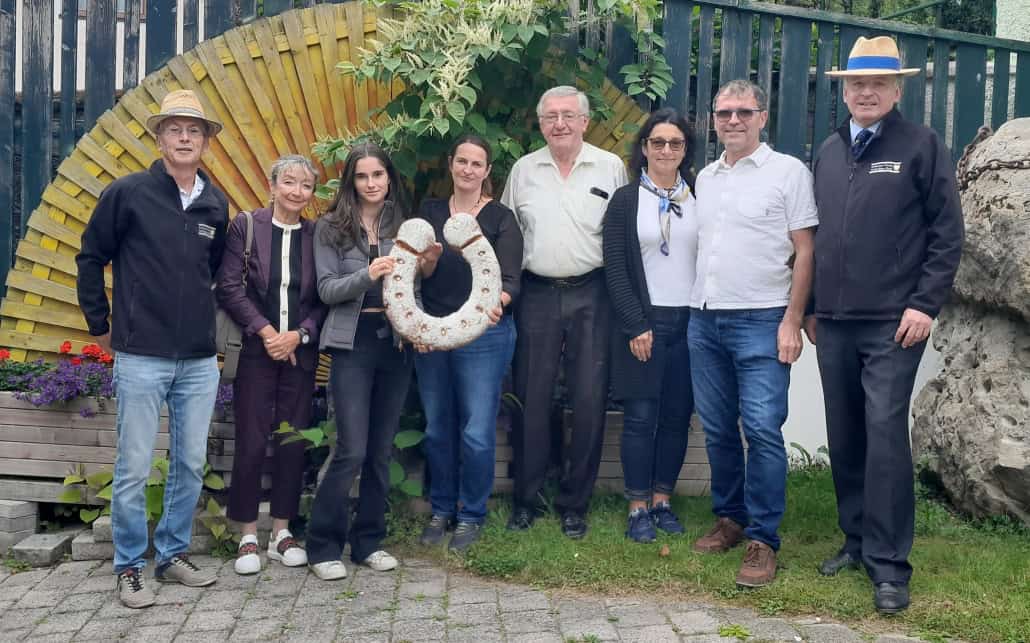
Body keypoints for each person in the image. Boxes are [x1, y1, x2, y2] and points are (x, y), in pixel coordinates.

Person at [808, 36, 963, 614]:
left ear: (898, 90)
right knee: (846, 434)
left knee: (884, 435)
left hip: (895, 324)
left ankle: (890, 565)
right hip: (833, 322)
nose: (866, 92)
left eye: (878, 84)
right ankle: (856, 540)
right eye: (857, 84)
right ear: (844, 90)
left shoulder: (921, 145)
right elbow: (815, 237)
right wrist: (811, 307)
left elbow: (947, 233)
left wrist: (925, 304)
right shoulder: (829, 150)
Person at [76, 90, 228, 608]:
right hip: (141, 355)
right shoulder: (128, 193)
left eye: (194, 130)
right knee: (135, 467)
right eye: (175, 129)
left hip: (199, 360)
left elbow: (213, 271)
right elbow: (90, 258)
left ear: (205, 141)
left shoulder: (214, 203)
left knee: (190, 463)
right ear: (159, 138)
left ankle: (172, 554)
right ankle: (129, 566)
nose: (185, 138)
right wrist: (100, 326)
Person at [688, 80, 817, 587]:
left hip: (763, 319)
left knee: (762, 429)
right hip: (705, 319)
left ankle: (763, 538)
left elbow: (805, 251)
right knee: (718, 428)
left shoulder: (788, 172)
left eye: (744, 111)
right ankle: (730, 518)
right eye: (724, 113)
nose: (733, 120)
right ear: (713, 120)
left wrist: (792, 320)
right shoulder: (706, 177)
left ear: (763, 117)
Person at [500, 86, 629, 539]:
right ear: (540, 124)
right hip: (535, 293)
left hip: (592, 291)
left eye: (568, 115)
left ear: (585, 122)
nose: (560, 124)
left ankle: (575, 503)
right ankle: (527, 499)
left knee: (589, 397)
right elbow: (507, 234)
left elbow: (622, 235)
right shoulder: (523, 170)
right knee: (530, 396)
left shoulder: (610, 167)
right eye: (551, 116)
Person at [305, 143, 417, 580]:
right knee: (351, 449)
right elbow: (327, 290)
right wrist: (367, 274)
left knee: (381, 450)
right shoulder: (331, 227)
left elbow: (413, 289)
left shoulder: (404, 225)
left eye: (378, 175)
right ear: (351, 180)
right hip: (352, 342)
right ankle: (322, 547)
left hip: (394, 343)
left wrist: (418, 329)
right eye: (362, 176)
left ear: (389, 177)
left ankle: (369, 542)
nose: (371, 183)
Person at [215, 155, 327, 575]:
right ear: (273, 185)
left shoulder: (317, 236)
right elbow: (229, 287)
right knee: (251, 438)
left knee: (292, 439)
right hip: (255, 351)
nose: (297, 191)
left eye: (306, 185)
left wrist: (299, 335)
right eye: (289, 182)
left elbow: (324, 296)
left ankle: (282, 532)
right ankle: (247, 534)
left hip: (300, 353)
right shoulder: (246, 226)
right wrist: (267, 333)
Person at [415, 135, 523, 552]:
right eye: (462, 161)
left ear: (487, 171)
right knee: (437, 428)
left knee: (476, 431)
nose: (468, 169)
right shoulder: (430, 213)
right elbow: (418, 274)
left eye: (477, 164)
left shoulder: (500, 219)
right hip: (436, 332)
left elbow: (511, 281)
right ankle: (441, 508)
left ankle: (472, 513)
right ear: (451, 164)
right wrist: (428, 263)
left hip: (484, 335)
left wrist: (499, 303)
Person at [602, 108, 698, 543]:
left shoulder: (698, 196)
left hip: (690, 323)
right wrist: (635, 324)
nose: (665, 150)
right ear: (644, 148)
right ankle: (637, 507)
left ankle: (662, 501)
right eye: (657, 142)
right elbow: (616, 268)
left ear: (685, 149)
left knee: (677, 417)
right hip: (644, 322)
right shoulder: (625, 201)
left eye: (675, 143)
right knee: (641, 418)